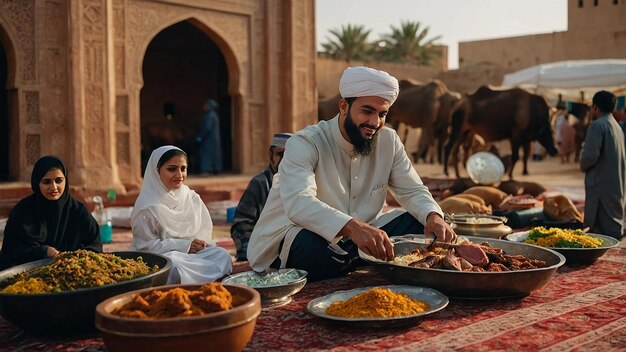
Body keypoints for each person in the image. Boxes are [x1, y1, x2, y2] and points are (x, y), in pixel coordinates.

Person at [247, 66, 456, 281]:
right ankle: (362, 259)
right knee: (310, 246)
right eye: (367, 111)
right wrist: (353, 227)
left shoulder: (388, 141)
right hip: (295, 235)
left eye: (382, 114)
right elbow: (299, 203)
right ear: (344, 106)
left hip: (356, 239)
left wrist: (433, 216)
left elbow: (412, 190)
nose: (375, 123)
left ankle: (356, 259)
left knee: (420, 222)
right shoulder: (306, 142)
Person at [131, 145, 232, 284]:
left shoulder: (190, 197)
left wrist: (198, 245)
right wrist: (183, 246)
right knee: (174, 265)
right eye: (171, 169)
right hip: (164, 257)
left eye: (183, 169)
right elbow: (147, 248)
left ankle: (192, 279)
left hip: (192, 255)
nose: (179, 175)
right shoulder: (147, 206)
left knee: (222, 255)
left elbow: (203, 230)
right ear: (156, 171)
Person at [0, 156, 102, 270]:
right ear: (37, 183)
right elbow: (12, 252)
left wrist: (74, 260)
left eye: (59, 180)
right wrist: (44, 251)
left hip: (74, 273)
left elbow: (95, 245)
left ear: (66, 180)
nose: (54, 187)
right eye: (46, 182)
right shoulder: (22, 212)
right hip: (31, 277)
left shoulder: (78, 211)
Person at [230, 132, 293, 261]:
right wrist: (249, 254)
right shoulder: (260, 183)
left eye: (290, 155)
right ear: (271, 156)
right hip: (264, 247)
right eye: (280, 154)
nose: (285, 159)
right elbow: (242, 225)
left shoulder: (300, 182)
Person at [580, 91, 626, 239]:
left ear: (595, 107)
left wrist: (583, 165)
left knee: (597, 230)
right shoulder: (617, 126)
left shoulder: (597, 125)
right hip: (614, 182)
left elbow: (591, 156)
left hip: (600, 182)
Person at [196, 99, 223, 175]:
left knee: (206, 154)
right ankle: (216, 169)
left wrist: (200, 136)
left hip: (208, 139)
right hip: (214, 139)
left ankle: (206, 170)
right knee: (215, 154)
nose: (204, 107)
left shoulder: (209, 115)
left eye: (206, 105)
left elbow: (207, 128)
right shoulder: (214, 115)